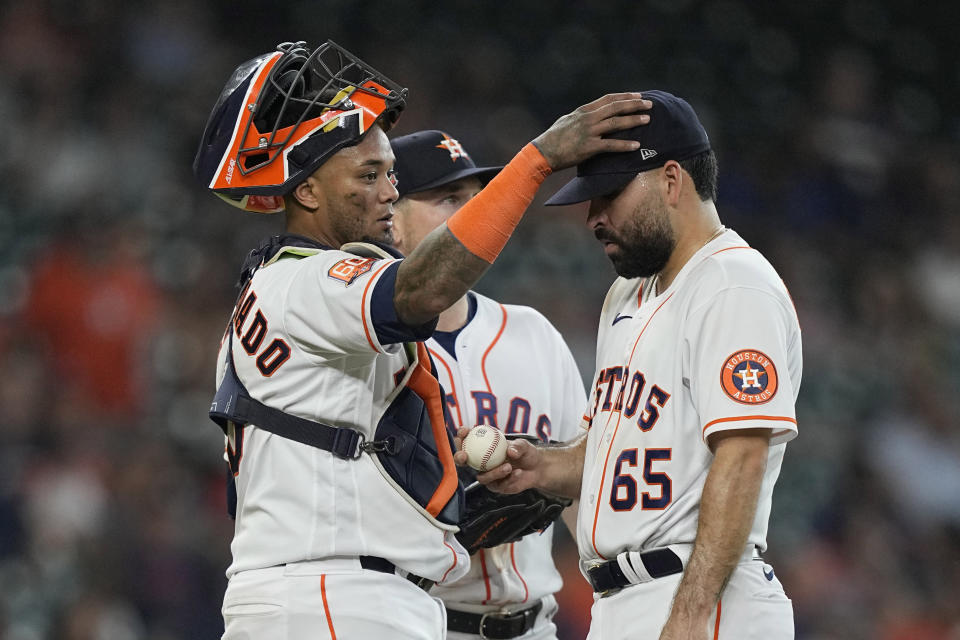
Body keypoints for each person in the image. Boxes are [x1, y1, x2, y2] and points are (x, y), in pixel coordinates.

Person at [192, 39, 652, 640]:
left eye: (390, 174)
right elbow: (418, 291)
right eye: (369, 174)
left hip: (326, 592)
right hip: (333, 595)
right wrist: (537, 160)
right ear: (305, 191)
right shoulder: (310, 277)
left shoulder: (284, 284)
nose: (388, 191)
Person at [462, 90, 802, 640]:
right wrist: (543, 467)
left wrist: (690, 618)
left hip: (700, 597)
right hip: (623, 603)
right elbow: (615, 451)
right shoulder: (626, 296)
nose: (593, 218)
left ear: (671, 181)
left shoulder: (732, 285)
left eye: (609, 195)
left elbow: (742, 457)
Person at [389, 129, 586, 640]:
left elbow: (592, 479)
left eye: (478, 199)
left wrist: (549, 471)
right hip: (420, 625)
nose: (475, 213)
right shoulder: (371, 349)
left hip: (536, 625)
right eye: (448, 199)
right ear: (391, 220)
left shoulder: (534, 334)